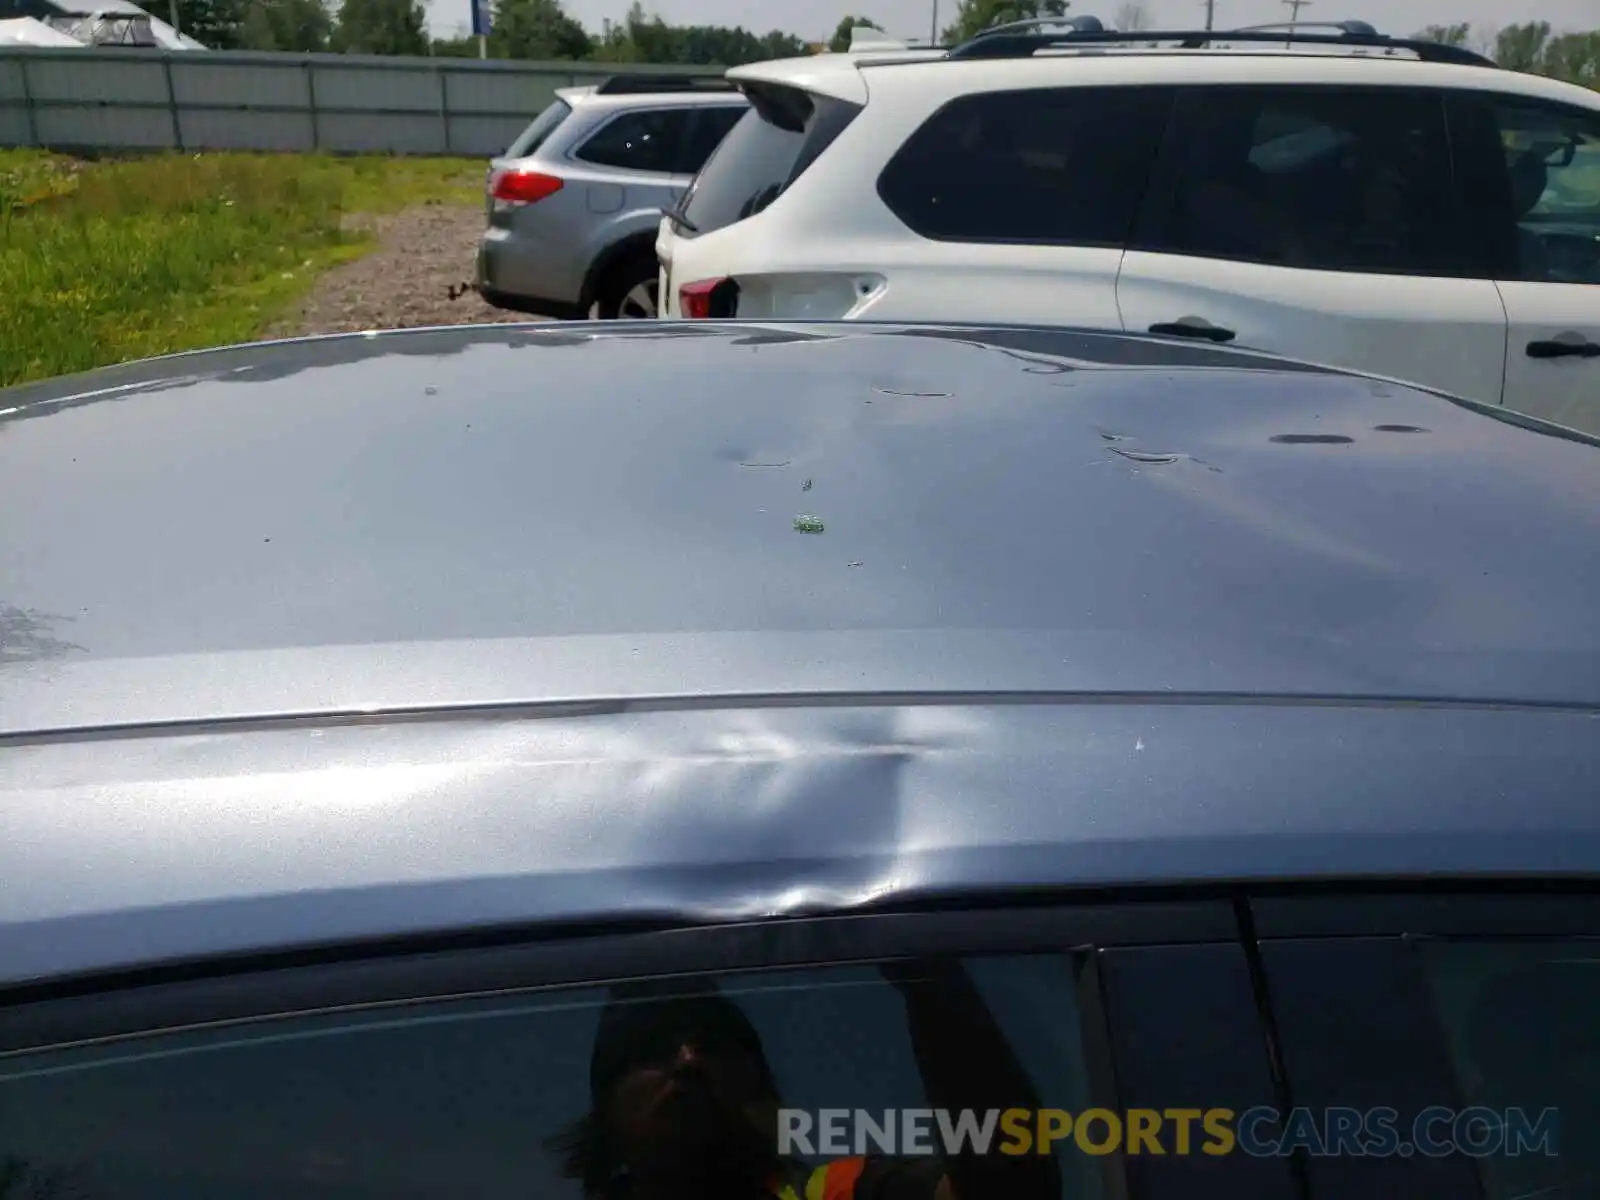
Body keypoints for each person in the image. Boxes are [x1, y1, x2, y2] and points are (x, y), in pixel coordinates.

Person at [548, 958, 1063, 1200]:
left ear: (759, 1085)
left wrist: (930, 981)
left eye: (713, 1040)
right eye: (649, 1045)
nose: (687, 1059)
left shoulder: (840, 1193)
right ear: (606, 1103)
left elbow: (1013, 1190)